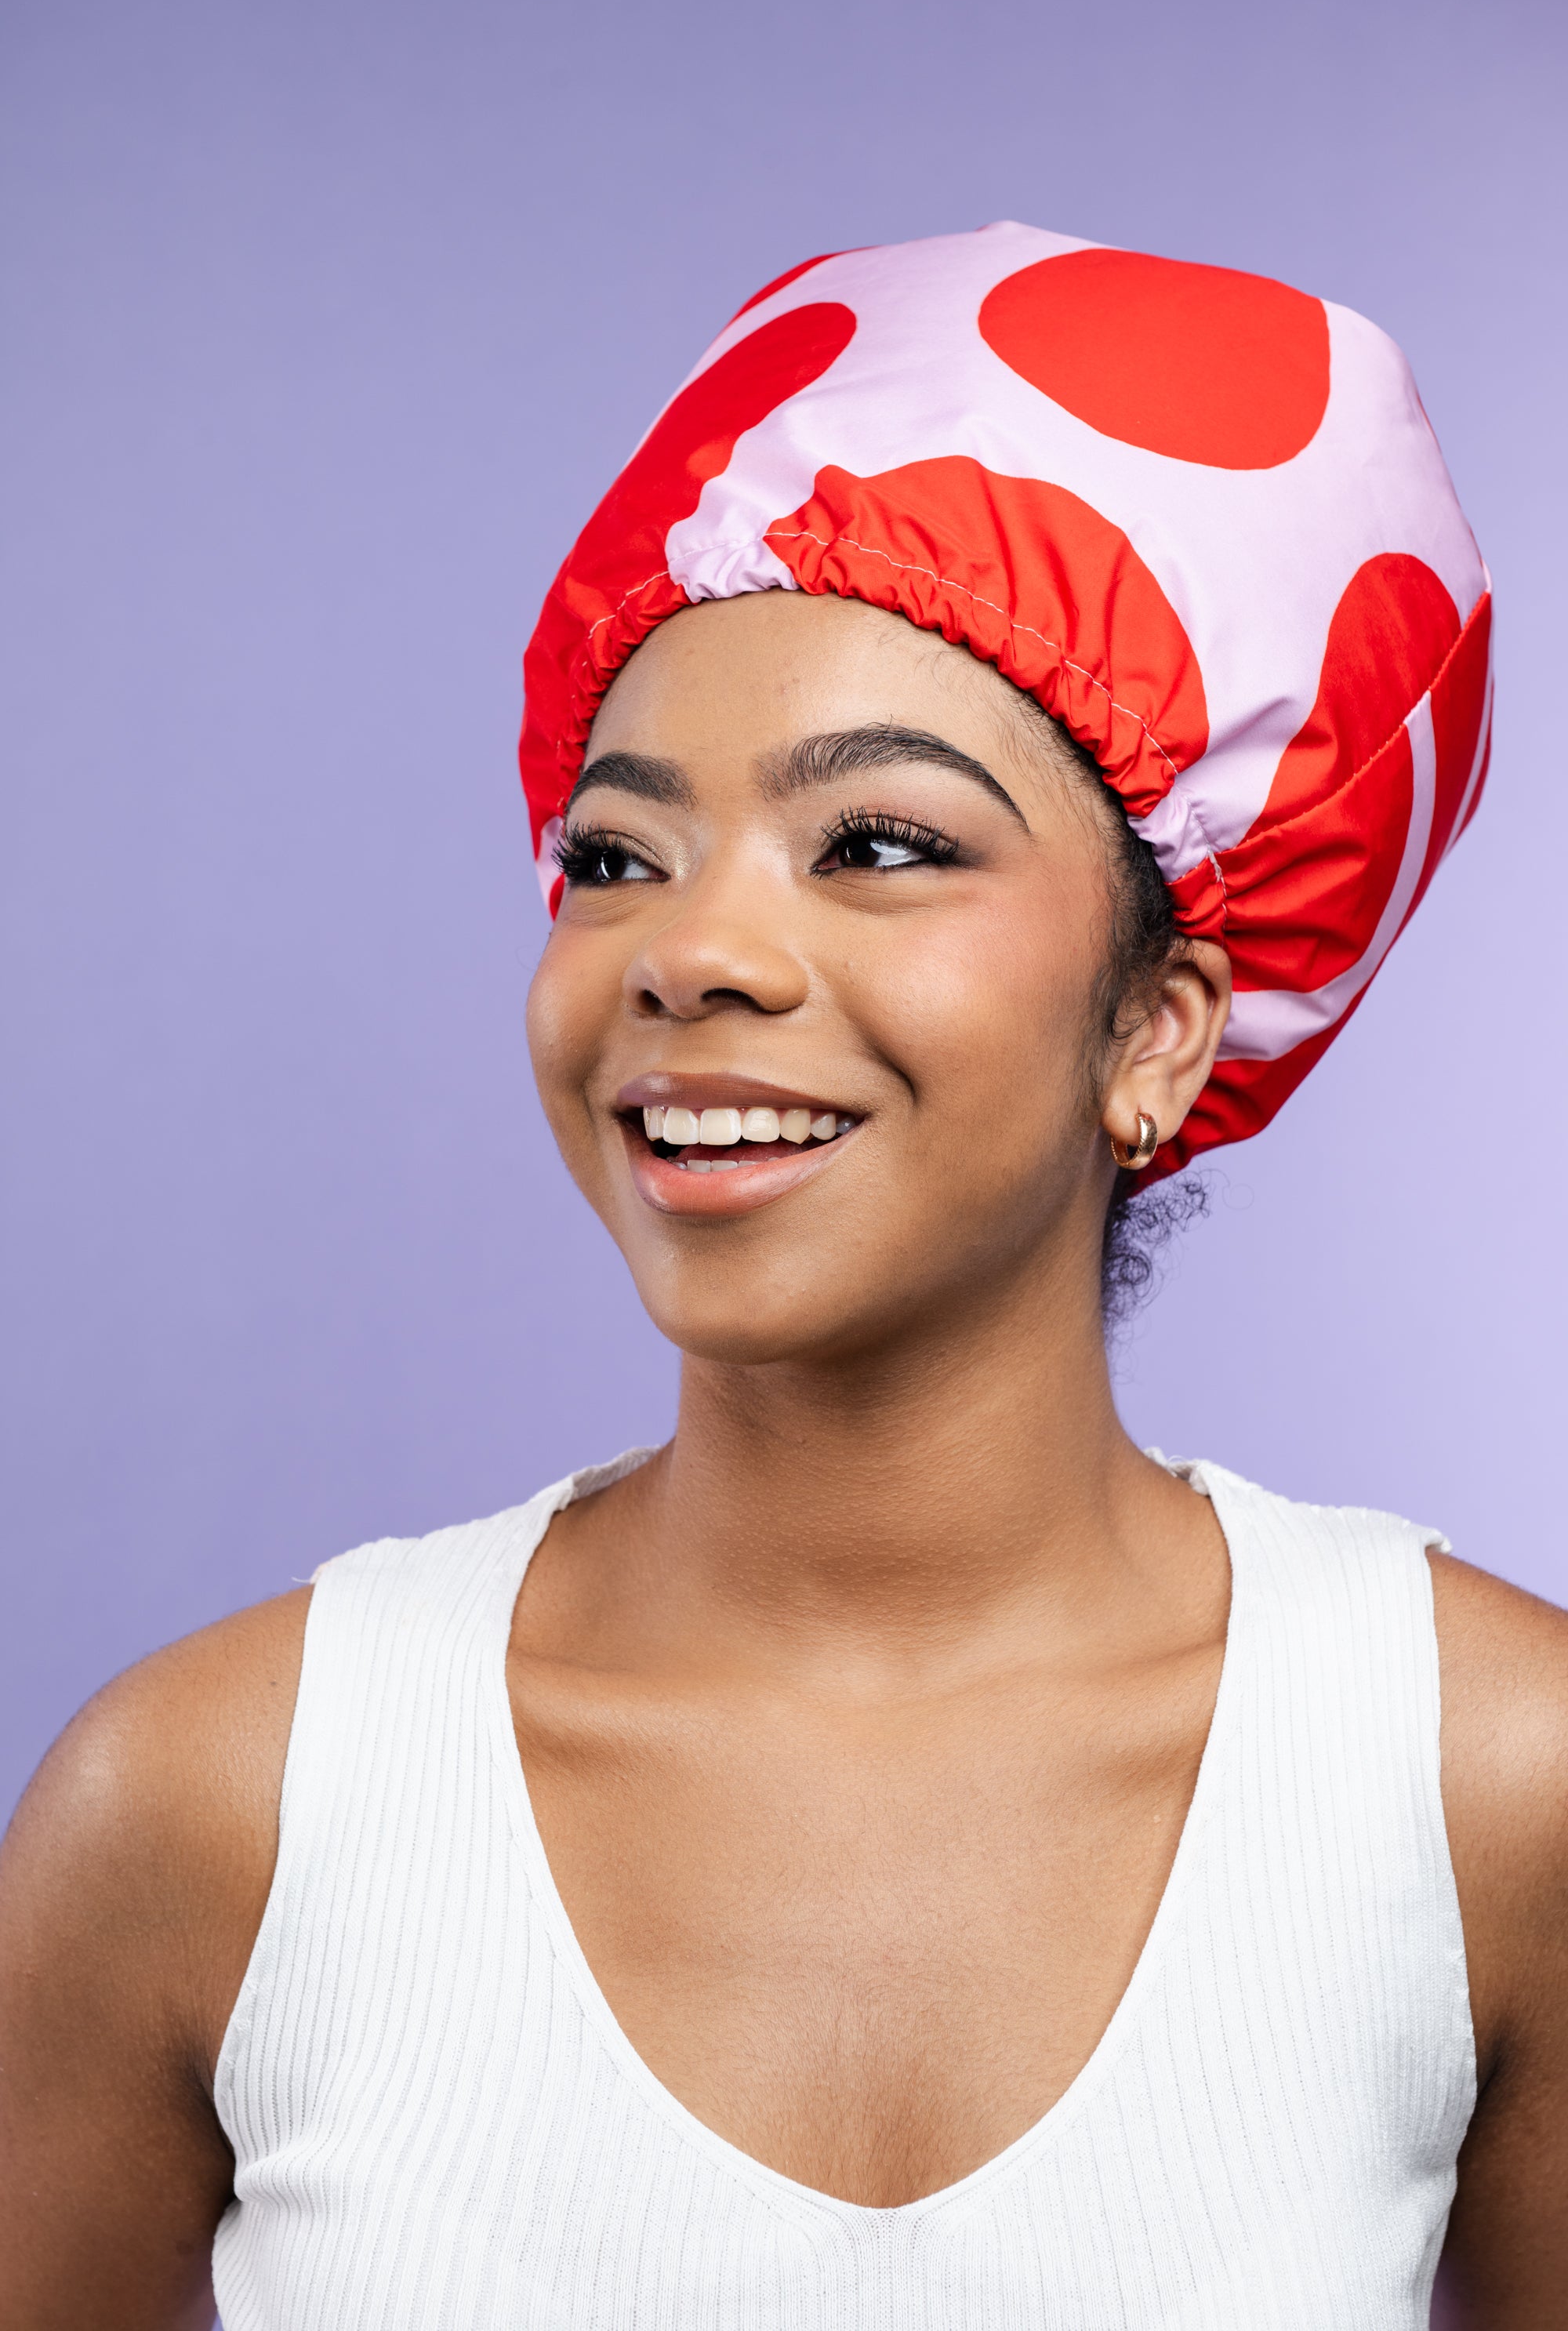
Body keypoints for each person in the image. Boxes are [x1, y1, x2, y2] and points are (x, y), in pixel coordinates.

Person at [1, 224, 1563, 2331]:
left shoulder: (1488, 1786)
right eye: (615, 856)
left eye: (879, 845)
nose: (694, 952)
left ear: (1159, 1025)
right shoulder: (210, 1803)